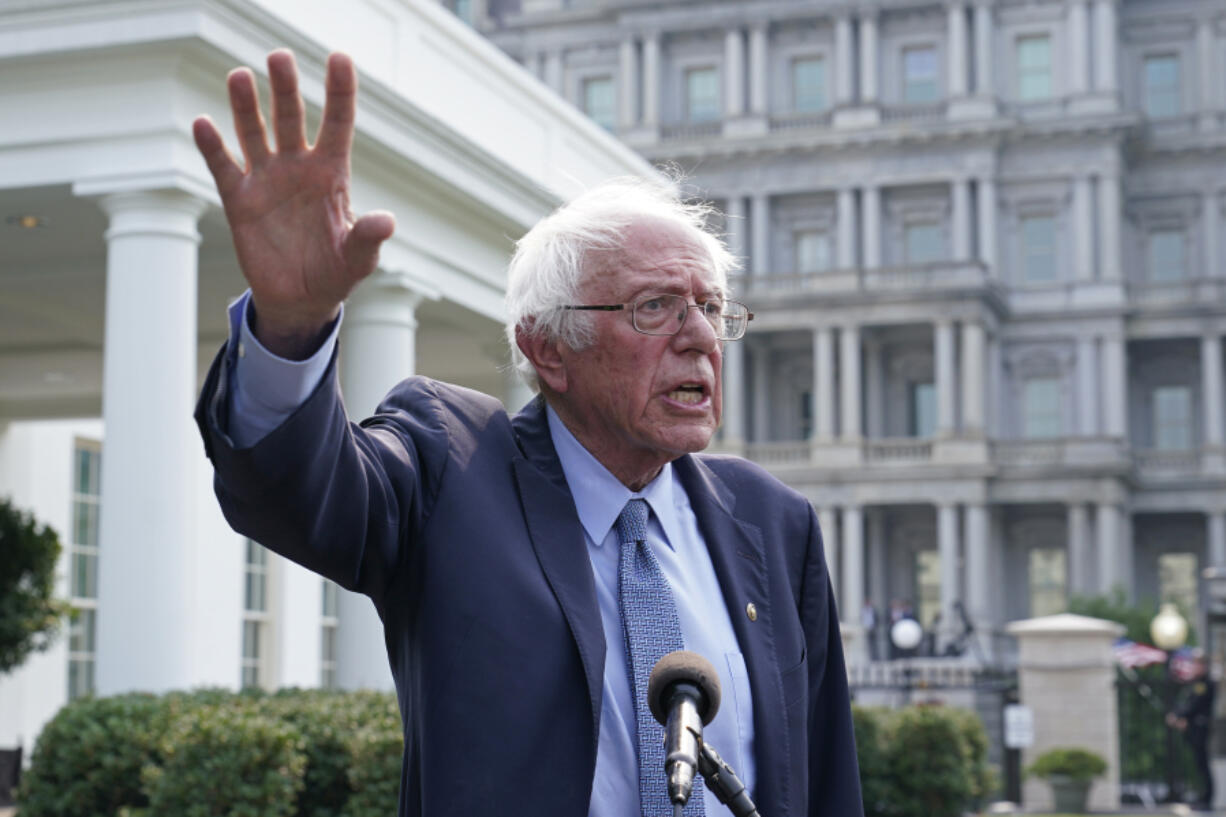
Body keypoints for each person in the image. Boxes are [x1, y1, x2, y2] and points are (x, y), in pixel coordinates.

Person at [192, 49, 863, 817]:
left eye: (711, 308)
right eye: (655, 307)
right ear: (549, 348)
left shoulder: (774, 520)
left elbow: (823, 777)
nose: (700, 337)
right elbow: (295, 493)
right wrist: (291, 324)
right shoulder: (453, 467)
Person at [1167, 651, 1215, 810]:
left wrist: (1179, 715)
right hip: (1192, 727)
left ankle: (1206, 798)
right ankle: (1200, 796)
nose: (1195, 666)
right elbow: (1187, 702)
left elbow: (1194, 705)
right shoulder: (1195, 683)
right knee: (1197, 763)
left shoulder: (1205, 683)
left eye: (1198, 664)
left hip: (1199, 727)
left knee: (1202, 764)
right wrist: (1179, 716)